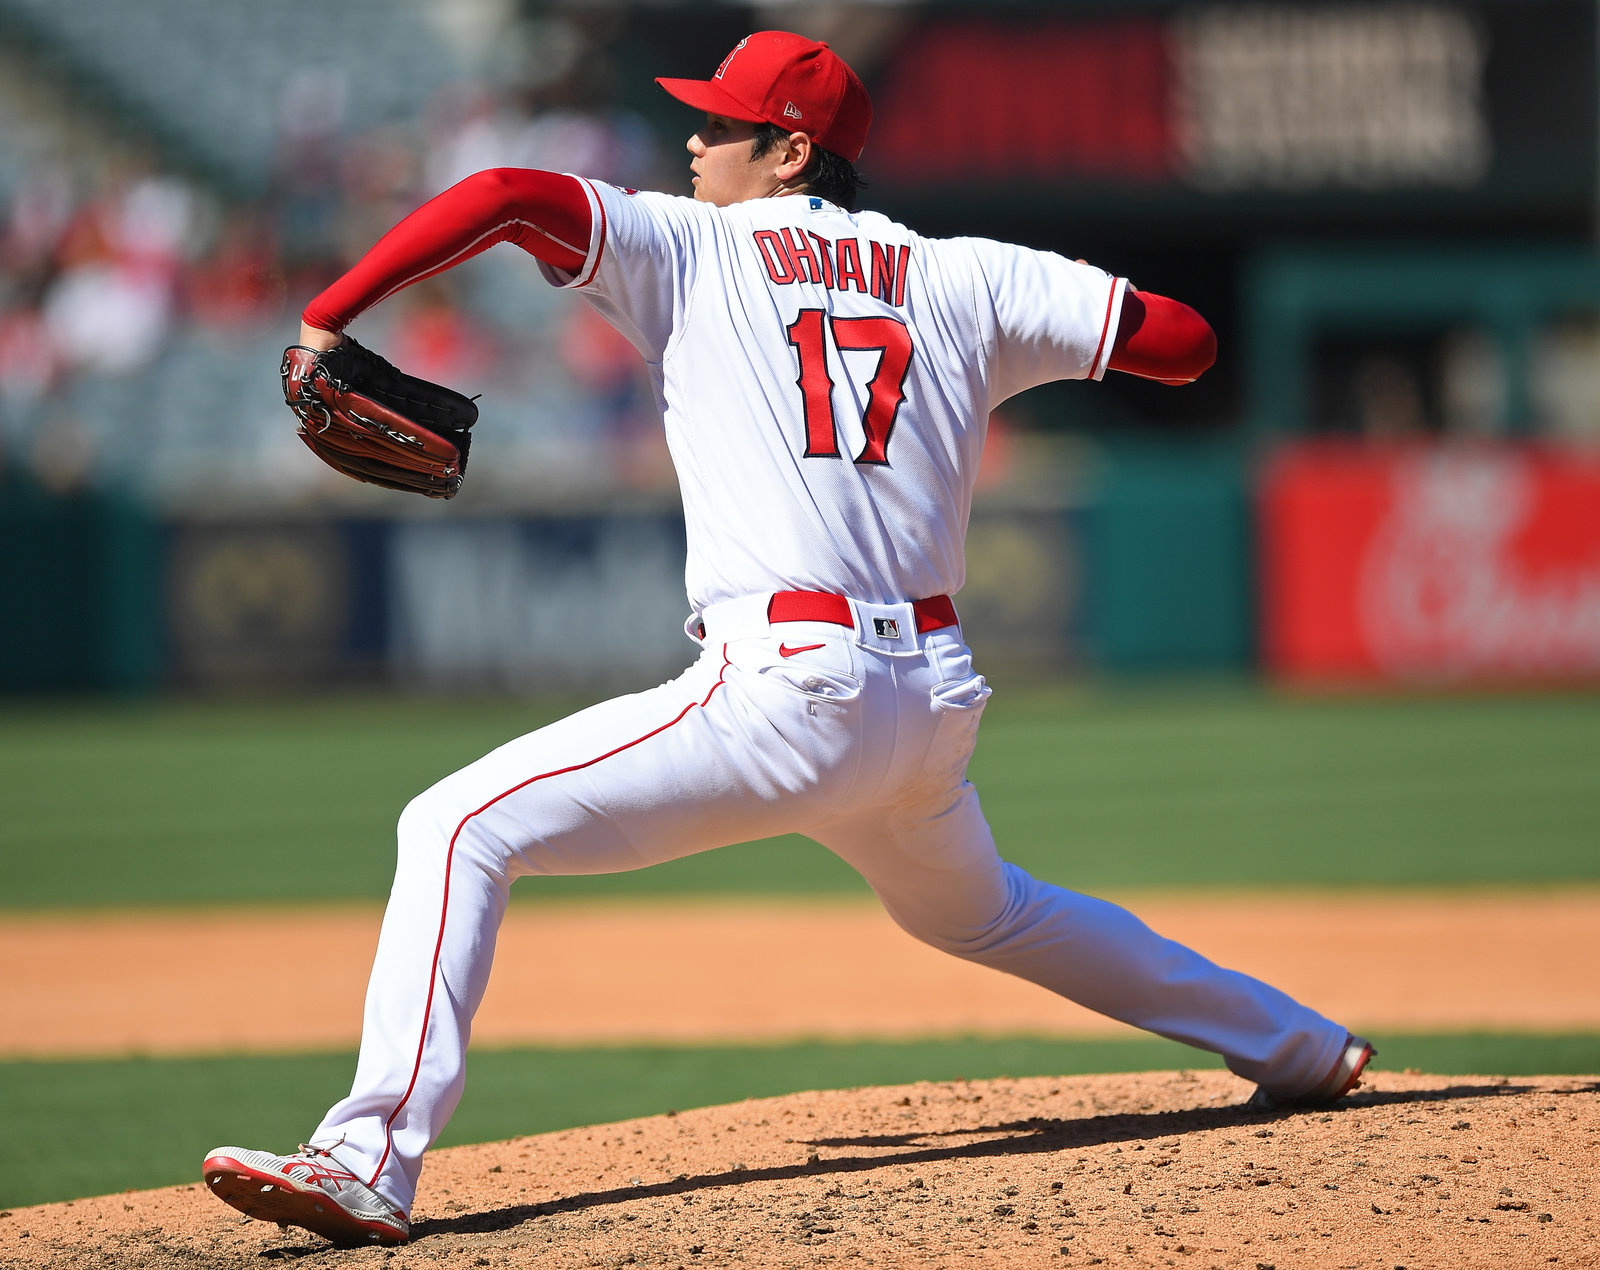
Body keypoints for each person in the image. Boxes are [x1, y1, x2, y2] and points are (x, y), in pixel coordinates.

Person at [202, 31, 1371, 1247]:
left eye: (720, 124)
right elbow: (1183, 344)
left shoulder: (689, 244)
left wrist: (325, 317)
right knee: (983, 912)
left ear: (792, 151)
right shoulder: (964, 273)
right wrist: (1065, 295)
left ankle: (365, 1158)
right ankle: (1296, 1042)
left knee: (454, 826)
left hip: (789, 686)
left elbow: (499, 193)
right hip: (929, 701)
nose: (693, 139)